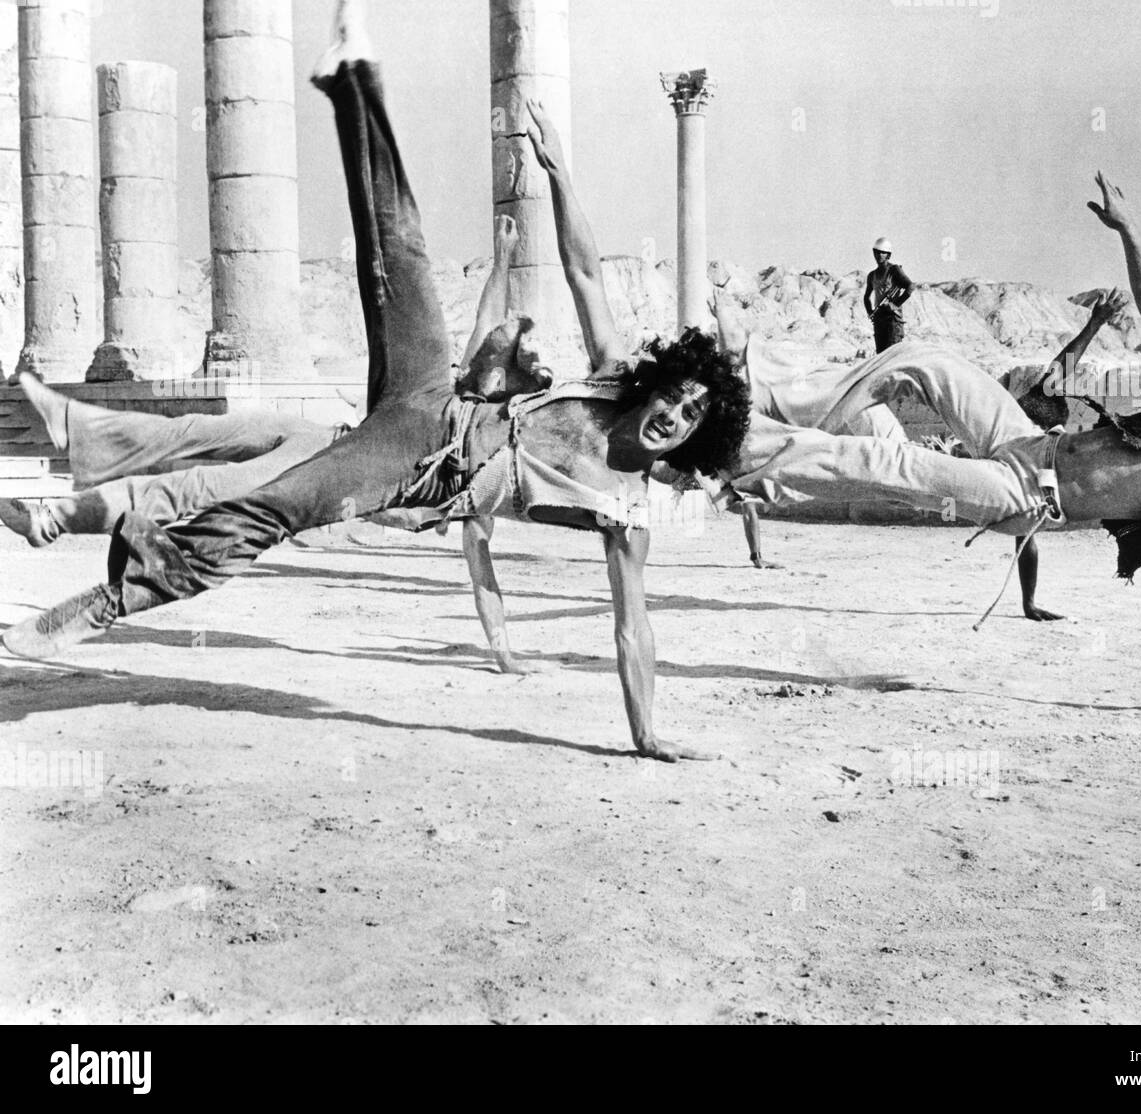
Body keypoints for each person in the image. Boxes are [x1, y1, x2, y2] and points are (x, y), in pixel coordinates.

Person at [2, 3, 751, 762]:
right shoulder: (612, 381)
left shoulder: (625, 512)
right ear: (659, 383)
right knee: (401, 254)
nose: (675, 415)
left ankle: (105, 602)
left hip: (412, 467)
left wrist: (647, 733)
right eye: (678, 395)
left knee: (273, 510)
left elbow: (633, 626)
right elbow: (585, 272)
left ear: (694, 439)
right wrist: (557, 173)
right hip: (433, 396)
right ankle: (353, 81)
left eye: (692, 417)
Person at [706, 172, 1141, 718]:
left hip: (1026, 496)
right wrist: (1130, 229)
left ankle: (734, 452)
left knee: (884, 459)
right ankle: (763, 386)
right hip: (1029, 441)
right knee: (922, 359)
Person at [0, 214, 542, 548]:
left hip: (332, 474)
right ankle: (79, 426)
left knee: (196, 487)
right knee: (193, 429)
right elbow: (484, 323)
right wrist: (503, 259)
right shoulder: (463, 398)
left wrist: (503, 652)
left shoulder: (473, 478)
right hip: (328, 437)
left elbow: (475, 562)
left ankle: (50, 520)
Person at [711, 284, 1126, 620]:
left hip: (1019, 484)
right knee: (918, 357)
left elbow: (1026, 538)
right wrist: (1095, 321)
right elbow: (1063, 366)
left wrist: (1027, 602)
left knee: (883, 463)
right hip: (1010, 439)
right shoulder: (1040, 410)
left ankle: (746, 460)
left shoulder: (1058, 484)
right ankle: (756, 374)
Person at [864, 237, 914, 353]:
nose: (879, 255)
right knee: (881, 357)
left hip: (893, 320)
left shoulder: (894, 270)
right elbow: (866, 297)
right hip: (879, 319)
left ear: (888, 255)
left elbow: (910, 286)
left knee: (891, 355)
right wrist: (870, 312)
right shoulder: (872, 275)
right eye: (876, 252)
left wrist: (894, 305)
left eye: (882, 252)